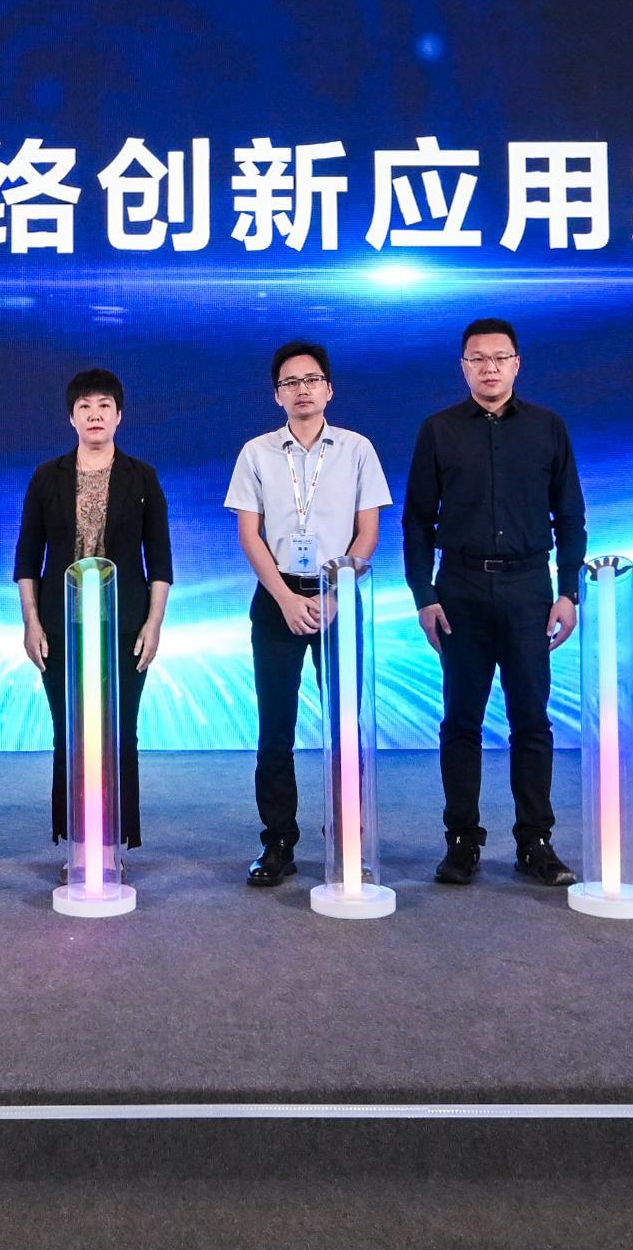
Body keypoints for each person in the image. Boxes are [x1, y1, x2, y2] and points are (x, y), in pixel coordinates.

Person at [401, 316, 587, 888]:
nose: (489, 368)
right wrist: (423, 594)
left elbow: (570, 516)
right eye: (477, 359)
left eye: (500, 358)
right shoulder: (438, 430)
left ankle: (536, 842)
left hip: (529, 589)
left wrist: (568, 591)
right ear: (463, 366)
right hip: (459, 589)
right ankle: (461, 842)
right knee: (462, 720)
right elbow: (416, 521)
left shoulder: (548, 427)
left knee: (531, 720)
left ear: (517, 364)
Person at [224, 338, 388, 889]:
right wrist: (286, 598)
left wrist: (336, 593)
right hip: (277, 598)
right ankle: (278, 841)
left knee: (345, 725)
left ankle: (347, 837)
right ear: (277, 395)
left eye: (311, 380)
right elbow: (250, 535)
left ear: (329, 389)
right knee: (276, 727)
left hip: (339, 594)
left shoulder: (357, 449)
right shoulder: (256, 453)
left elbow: (368, 532)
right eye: (290, 383)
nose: (302, 390)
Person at [17, 367, 173, 859]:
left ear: (119, 415)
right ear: (71, 417)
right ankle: (78, 844)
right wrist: (31, 621)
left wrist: (154, 623)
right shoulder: (47, 477)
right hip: (60, 625)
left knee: (120, 731)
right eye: (84, 406)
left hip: (124, 625)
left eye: (104, 405)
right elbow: (27, 559)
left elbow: (160, 560)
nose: (95, 414)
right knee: (70, 731)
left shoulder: (142, 477)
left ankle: (112, 845)